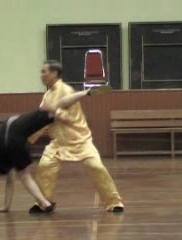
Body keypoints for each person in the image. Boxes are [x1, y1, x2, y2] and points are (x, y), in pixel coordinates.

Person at [0, 87, 106, 215]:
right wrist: (85, 92)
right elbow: (64, 102)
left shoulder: (31, 116)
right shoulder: (41, 115)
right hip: (12, 143)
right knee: (23, 175)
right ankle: (44, 203)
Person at [29, 60, 124, 213]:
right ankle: (44, 203)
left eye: (44, 71)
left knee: (96, 167)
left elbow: (71, 119)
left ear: (54, 73)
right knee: (45, 167)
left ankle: (114, 202)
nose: (42, 75)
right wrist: (31, 137)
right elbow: (42, 120)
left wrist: (55, 111)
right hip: (58, 143)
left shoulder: (67, 91)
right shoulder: (48, 95)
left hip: (80, 141)